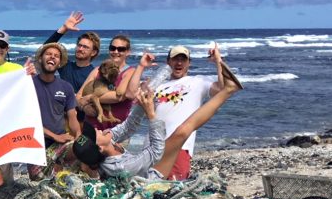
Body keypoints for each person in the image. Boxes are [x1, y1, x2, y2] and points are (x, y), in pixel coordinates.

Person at [71, 50, 241, 179]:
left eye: (183, 59)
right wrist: (151, 114)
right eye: (96, 134)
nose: (99, 130)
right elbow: (155, 153)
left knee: (182, 131)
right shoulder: (120, 167)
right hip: (154, 178)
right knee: (183, 131)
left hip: (154, 154)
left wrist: (141, 104)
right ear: (100, 148)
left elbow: (129, 126)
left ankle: (229, 89)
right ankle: (229, 90)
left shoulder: (109, 141)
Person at [144, 43, 242, 180]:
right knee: (148, 185)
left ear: (189, 63)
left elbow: (222, 89)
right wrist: (142, 69)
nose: (179, 63)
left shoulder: (198, 81)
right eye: (175, 59)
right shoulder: (158, 86)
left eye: (183, 59)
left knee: (172, 187)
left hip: (180, 146)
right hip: (151, 145)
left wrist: (218, 61)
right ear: (168, 62)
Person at [29, 42, 81, 180]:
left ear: (59, 63)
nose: (52, 57)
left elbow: (72, 118)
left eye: (56, 56)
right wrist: (54, 136)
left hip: (61, 143)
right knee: (38, 183)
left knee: (62, 181)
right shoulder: (28, 84)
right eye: (48, 54)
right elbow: (26, 121)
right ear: (40, 59)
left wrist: (78, 137)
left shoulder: (66, 87)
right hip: (35, 142)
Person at [78, 34, 137, 130]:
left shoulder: (130, 72)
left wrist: (89, 98)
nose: (116, 52)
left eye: (121, 49)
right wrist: (84, 107)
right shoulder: (97, 70)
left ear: (128, 52)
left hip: (116, 131)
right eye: (112, 48)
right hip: (91, 128)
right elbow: (78, 96)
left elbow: (119, 96)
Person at [43, 11, 100, 92]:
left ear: (93, 52)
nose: (80, 49)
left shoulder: (93, 73)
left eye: (85, 47)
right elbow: (45, 48)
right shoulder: (65, 66)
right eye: (79, 45)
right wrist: (64, 28)